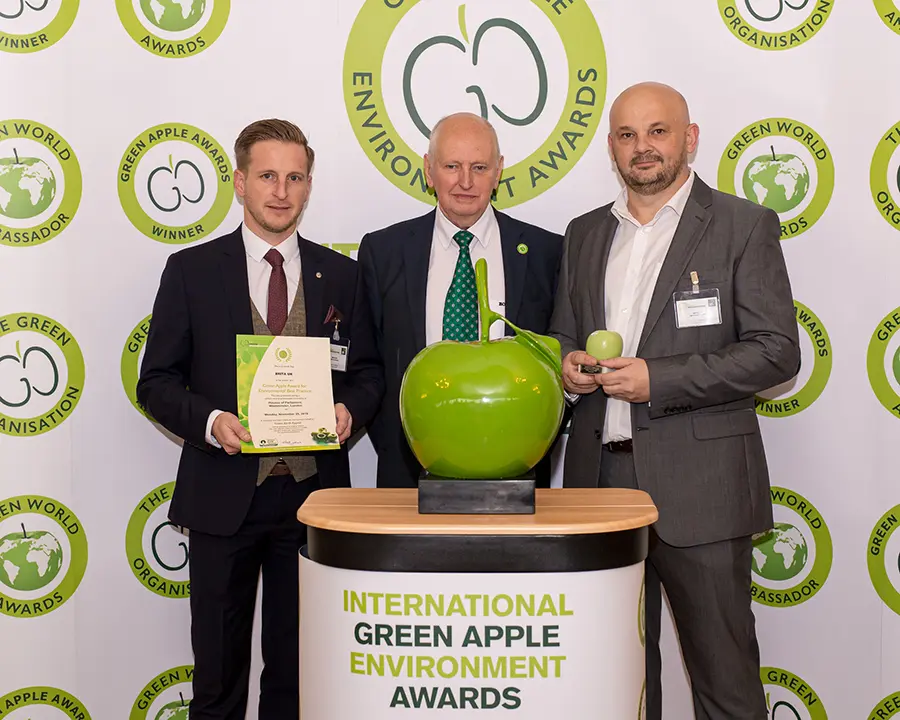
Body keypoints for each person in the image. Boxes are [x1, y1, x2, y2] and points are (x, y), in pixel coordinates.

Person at [548, 83, 800, 719]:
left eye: (658, 132)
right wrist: (568, 366)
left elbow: (777, 352)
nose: (643, 148)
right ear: (611, 147)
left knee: (725, 681)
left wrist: (660, 379)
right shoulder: (582, 233)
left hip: (703, 488)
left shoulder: (743, 225)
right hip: (599, 485)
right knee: (618, 681)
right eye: (628, 135)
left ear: (689, 139)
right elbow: (563, 336)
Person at [136, 119, 382, 720]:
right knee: (217, 682)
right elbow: (156, 382)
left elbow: (368, 371)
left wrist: (350, 407)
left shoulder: (342, 276)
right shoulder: (192, 272)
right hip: (224, 501)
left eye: (295, 177)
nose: (281, 191)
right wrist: (212, 418)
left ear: (308, 185)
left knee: (297, 678)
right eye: (268, 176)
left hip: (312, 500)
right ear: (241, 183)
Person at [358, 112, 564, 489]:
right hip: (408, 474)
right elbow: (368, 365)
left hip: (519, 474)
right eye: (451, 165)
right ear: (428, 169)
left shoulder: (546, 252)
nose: (465, 181)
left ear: (499, 171)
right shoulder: (383, 251)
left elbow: (556, 352)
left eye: (479, 167)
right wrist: (401, 443)